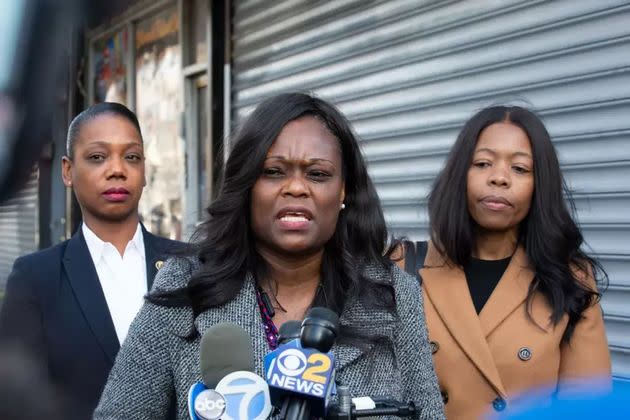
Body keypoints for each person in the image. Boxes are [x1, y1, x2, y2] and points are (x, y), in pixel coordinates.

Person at [94, 93, 445, 419]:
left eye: (317, 174)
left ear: (343, 192)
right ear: (247, 186)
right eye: (273, 172)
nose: (295, 187)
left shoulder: (394, 295)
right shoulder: (185, 285)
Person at [396, 105, 612, 419]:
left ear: (539, 186)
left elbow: (586, 409)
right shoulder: (405, 266)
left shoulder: (569, 278)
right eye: (483, 163)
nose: (499, 178)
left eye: (520, 169)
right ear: (460, 174)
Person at [0, 102, 182, 420]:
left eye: (131, 157)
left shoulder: (190, 266)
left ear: (144, 171)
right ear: (68, 171)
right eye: (97, 157)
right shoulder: (35, 278)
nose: (117, 169)